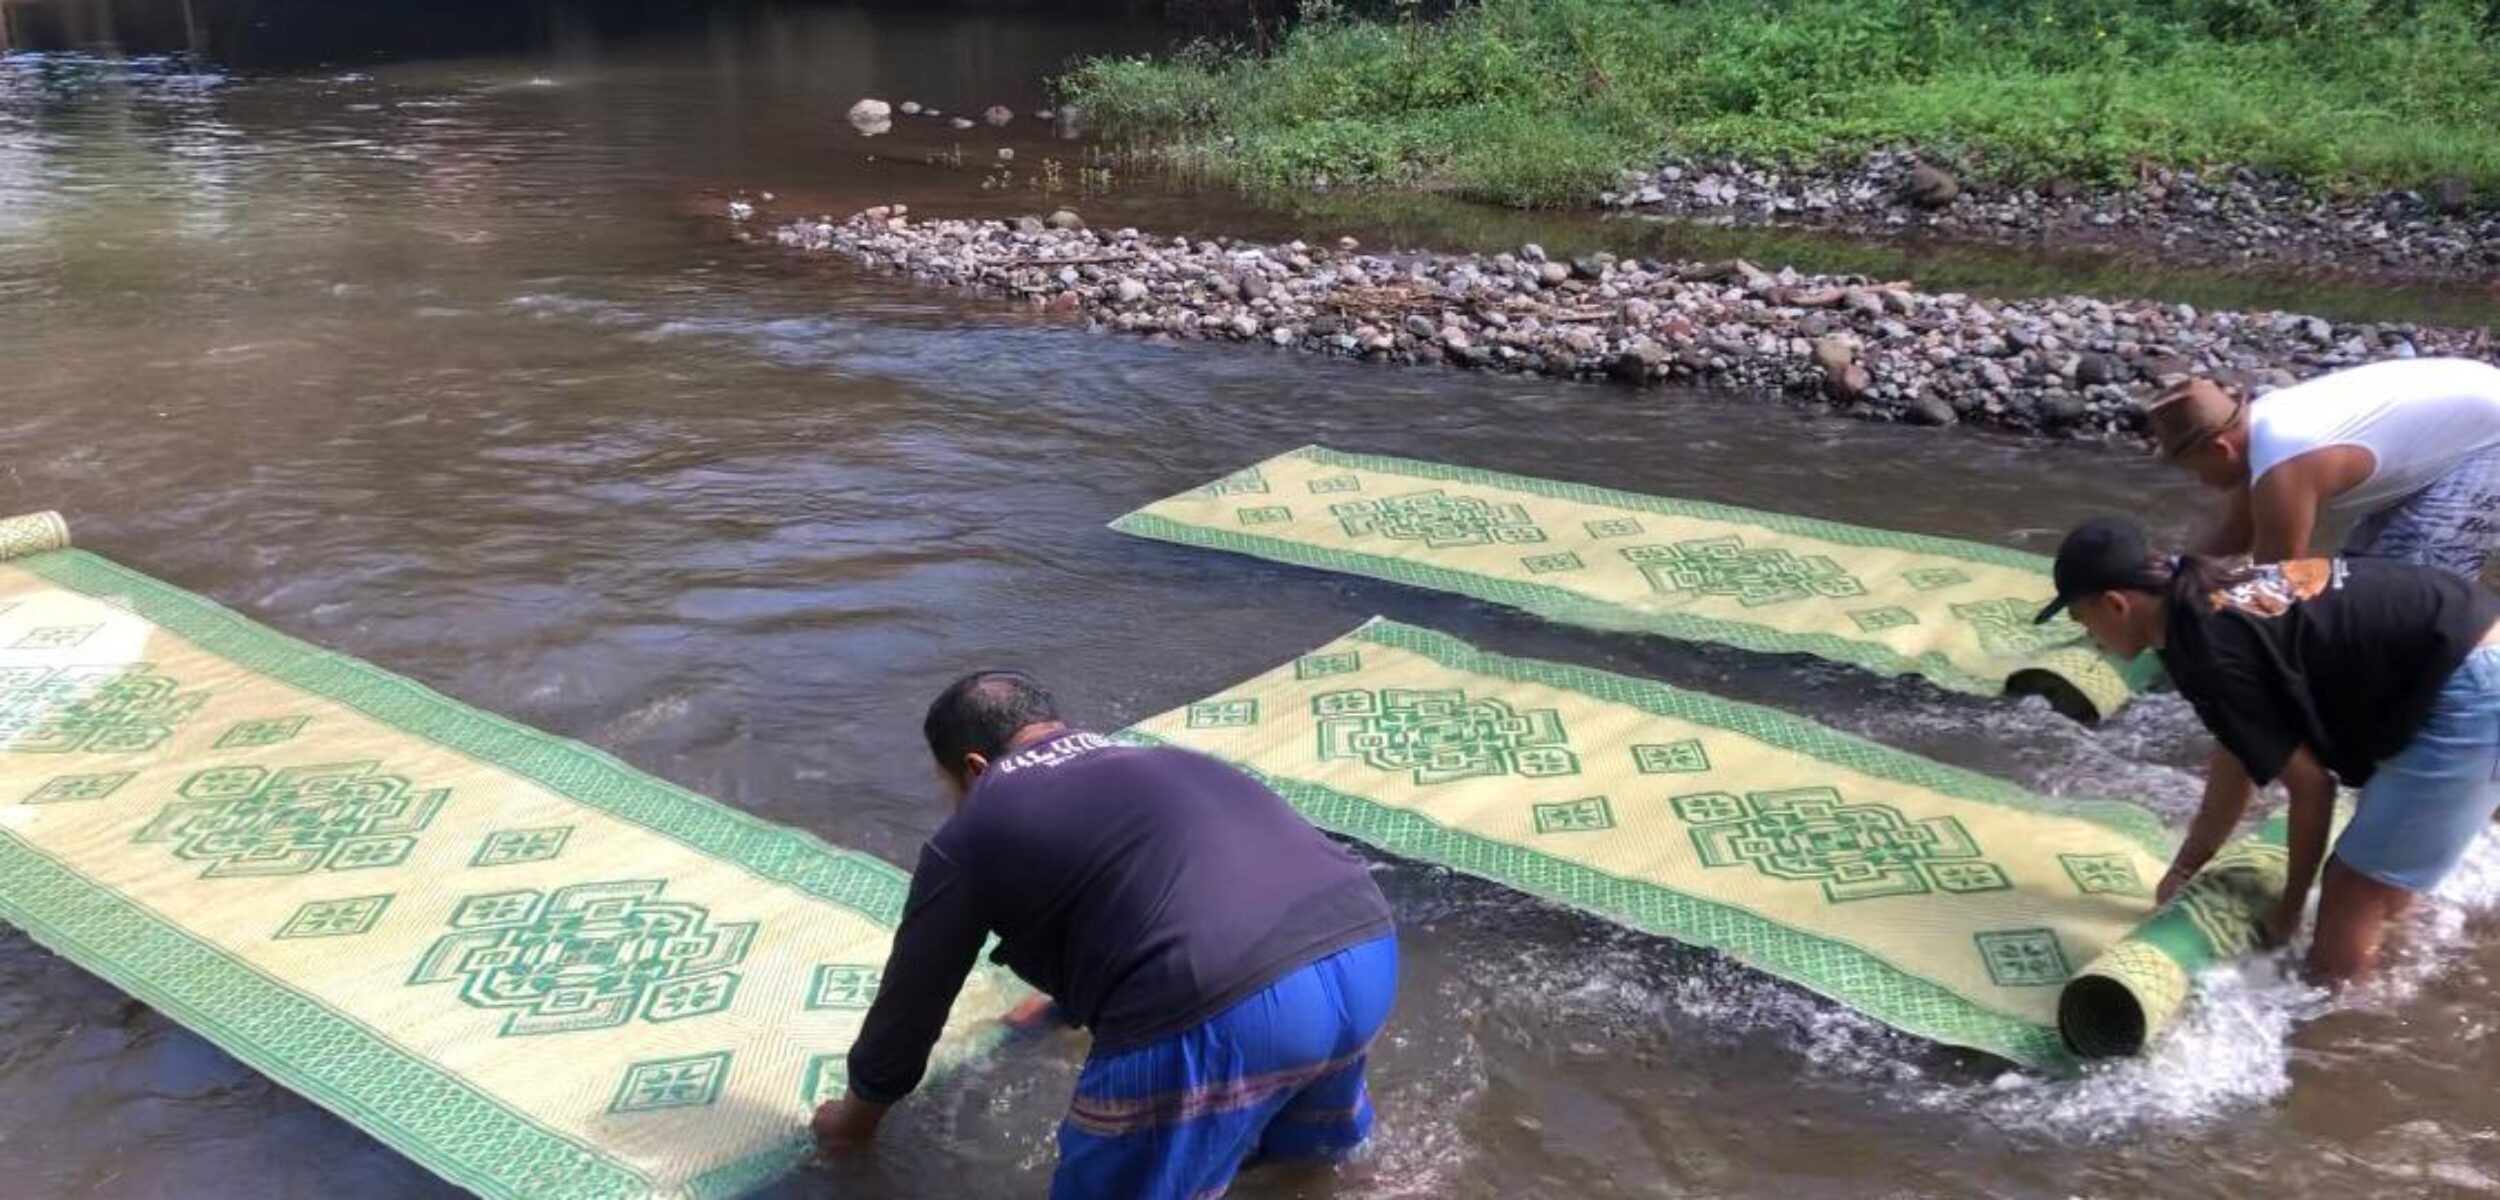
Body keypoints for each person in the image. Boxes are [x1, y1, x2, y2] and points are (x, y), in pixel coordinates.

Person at [812, 670, 1399, 1198]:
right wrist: (1064, 1006)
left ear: (971, 768)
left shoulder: (978, 821)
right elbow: (1173, 884)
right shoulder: (1159, 759)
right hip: (1363, 948)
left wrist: (853, 1123)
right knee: (1307, 1174)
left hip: (1219, 1005)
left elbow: (911, 1003)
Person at [2035, 515, 2500, 983]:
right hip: (2466, 645)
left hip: (2473, 684)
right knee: (2378, 882)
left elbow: (2314, 788)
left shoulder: (2206, 645)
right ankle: (2389, 988)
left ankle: (2336, 1037)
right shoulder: (2197, 594)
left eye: (2081, 618)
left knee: (2349, 890)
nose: (2090, 637)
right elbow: (2238, 750)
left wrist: (2289, 913)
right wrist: (2189, 865)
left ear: (2116, 605)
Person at [2144, 356, 2500, 579]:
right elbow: (2235, 537)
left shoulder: (2284, 462)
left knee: (2406, 591)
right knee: (2361, 579)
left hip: (2487, 438)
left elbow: (2279, 581)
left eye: (2193, 470)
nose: (2199, 483)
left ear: (2220, 449)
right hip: (2458, 420)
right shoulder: (2257, 436)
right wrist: (2170, 583)